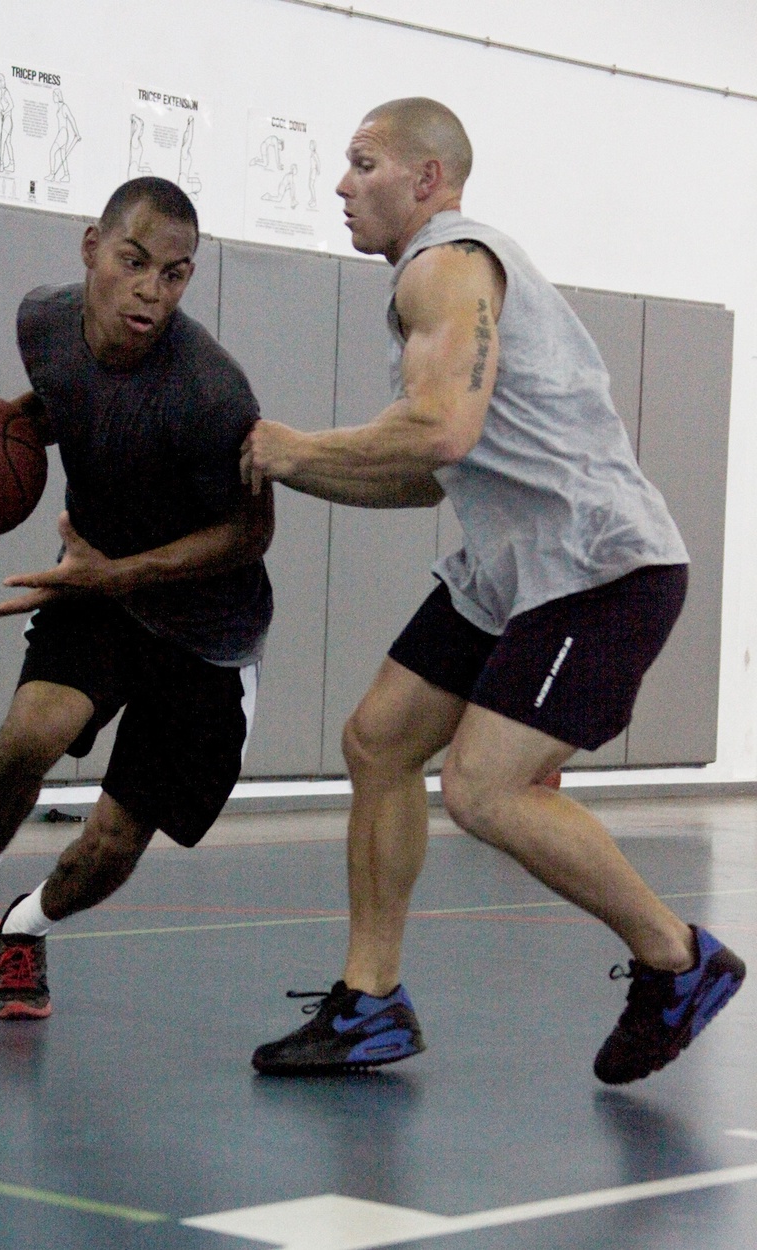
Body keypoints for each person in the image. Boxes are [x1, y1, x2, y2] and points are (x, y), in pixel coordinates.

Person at [241, 98, 744, 1083]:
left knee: (482, 786)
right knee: (378, 738)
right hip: (510, 569)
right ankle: (369, 1002)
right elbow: (429, 472)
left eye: (363, 162)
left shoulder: (447, 259)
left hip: (597, 566)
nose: (341, 184)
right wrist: (291, 468)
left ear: (428, 179)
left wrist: (297, 444)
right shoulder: (438, 278)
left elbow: (436, 432)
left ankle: (677, 960)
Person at [0, 176, 273, 1020]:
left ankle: (27, 925)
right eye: (135, 262)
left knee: (112, 843)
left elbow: (250, 534)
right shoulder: (42, 322)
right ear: (92, 249)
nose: (152, 292)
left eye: (176, 274)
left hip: (208, 629)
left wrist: (116, 574)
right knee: (32, 730)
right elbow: (63, 406)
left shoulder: (212, 392)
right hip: (98, 583)